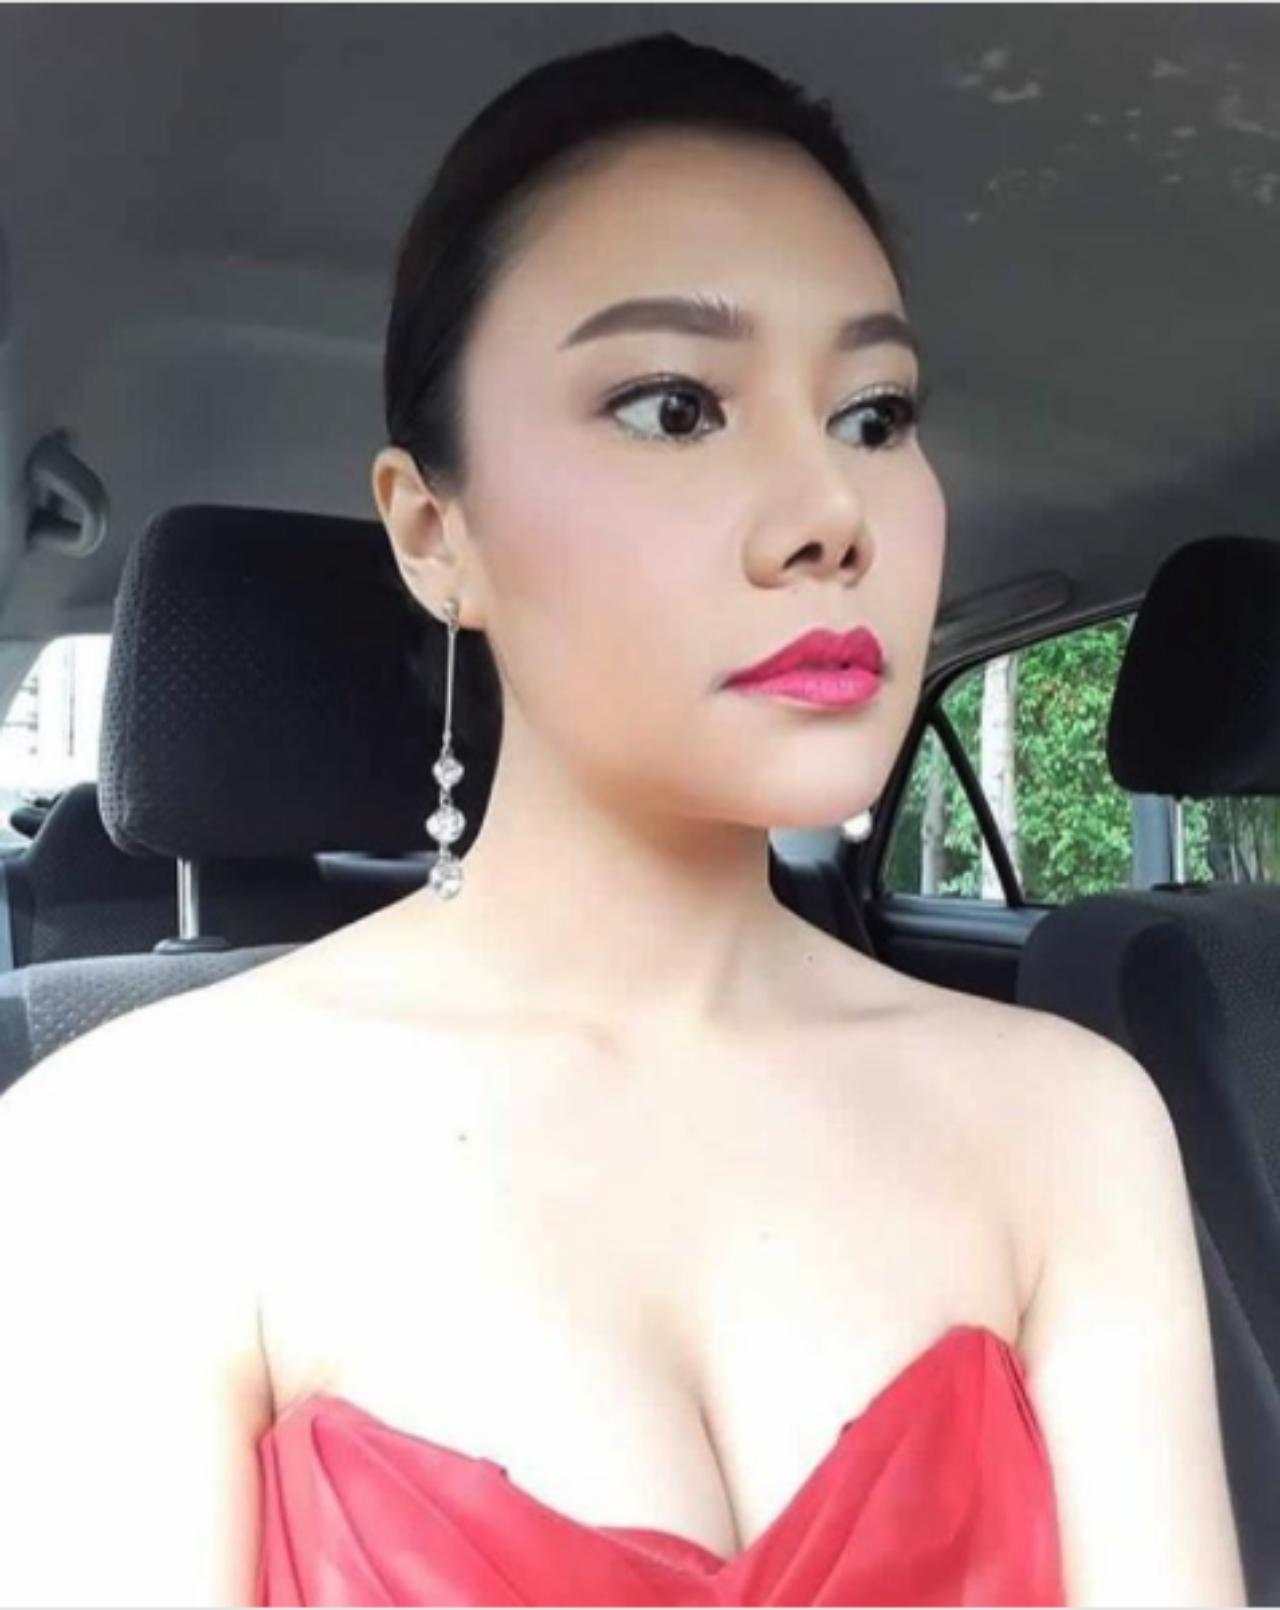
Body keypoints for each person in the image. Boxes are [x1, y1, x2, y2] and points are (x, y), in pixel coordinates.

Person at [0, 29, 1246, 1609]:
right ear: (433, 530)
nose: (830, 514)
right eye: (672, 406)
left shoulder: (1076, 1124)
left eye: (875, 414)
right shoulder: (123, 1156)